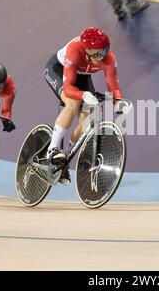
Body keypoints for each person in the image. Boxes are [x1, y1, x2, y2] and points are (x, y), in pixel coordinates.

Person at [44, 27, 131, 184]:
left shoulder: (108, 59)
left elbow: (114, 87)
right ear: (86, 49)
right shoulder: (75, 51)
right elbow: (70, 87)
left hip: (82, 75)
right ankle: (52, 150)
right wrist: (83, 95)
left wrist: (119, 103)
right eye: (97, 53)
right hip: (59, 70)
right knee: (74, 103)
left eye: (104, 51)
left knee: (90, 120)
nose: (101, 57)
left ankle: (66, 157)